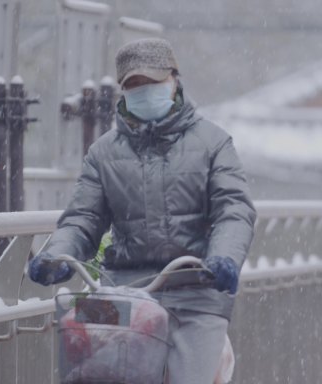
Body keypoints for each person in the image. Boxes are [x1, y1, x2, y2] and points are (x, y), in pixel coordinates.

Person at [28, 37, 256, 384]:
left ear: (174, 81)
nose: (144, 91)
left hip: (194, 290)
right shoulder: (103, 153)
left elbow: (233, 209)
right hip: (124, 292)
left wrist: (223, 258)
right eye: (134, 85)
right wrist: (57, 254)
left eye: (152, 83)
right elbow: (83, 218)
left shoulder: (214, 143)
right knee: (91, 371)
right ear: (123, 91)